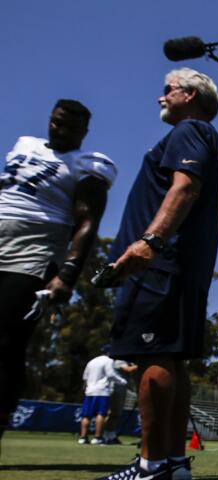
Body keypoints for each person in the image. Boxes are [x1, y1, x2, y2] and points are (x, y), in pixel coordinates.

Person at [87, 68, 218, 480]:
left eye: (167, 90)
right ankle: (173, 461)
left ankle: (150, 466)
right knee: (173, 357)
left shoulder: (189, 131)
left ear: (189, 94)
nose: (160, 97)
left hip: (161, 264)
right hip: (180, 264)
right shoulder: (200, 134)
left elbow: (184, 187)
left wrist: (149, 242)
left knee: (154, 357)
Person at [0, 100, 116, 453]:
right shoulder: (23, 144)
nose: (61, 131)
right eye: (57, 123)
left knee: (5, 341)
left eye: (70, 127)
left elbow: (87, 220)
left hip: (33, 249)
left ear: (84, 132)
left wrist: (67, 273)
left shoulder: (88, 163)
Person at [78, 354, 129, 445]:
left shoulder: (92, 361)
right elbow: (111, 374)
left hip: (89, 391)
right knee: (101, 414)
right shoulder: (108, 360)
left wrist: (86, 389)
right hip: (102, 391)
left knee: (86, 416)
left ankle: (83, 437)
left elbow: (85, 377)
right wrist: (122, 381)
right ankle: (97, 437)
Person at [103, 360, 138, 445]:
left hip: (121, 390)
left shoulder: (127, 361)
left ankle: (111, 435)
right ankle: (105, 436)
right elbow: (128, 369)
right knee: (112, 413)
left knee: (116, 413)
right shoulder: (119, 361)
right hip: (116, 390)